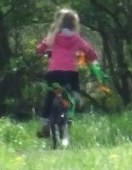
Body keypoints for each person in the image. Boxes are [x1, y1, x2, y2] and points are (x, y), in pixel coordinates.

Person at [36, 9, 99, 140]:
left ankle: (45, 122)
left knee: (50, 95)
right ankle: (76, 97)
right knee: (74, 87)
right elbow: (90, 52)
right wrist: (92, 58)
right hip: (70, 73)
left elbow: (41, 48)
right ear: (74, 24)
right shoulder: (76, 38)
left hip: (54, 72)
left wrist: (42, 49)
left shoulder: (54, 37)